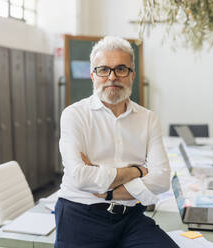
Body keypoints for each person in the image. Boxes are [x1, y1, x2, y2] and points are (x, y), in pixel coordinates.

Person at [55, 36, 178, 248]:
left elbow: (161, 180)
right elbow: (79, 178)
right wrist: (136, 171)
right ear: (93, 75)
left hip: (130, 218)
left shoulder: (148, 118)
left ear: (132, 75)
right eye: (104, 70)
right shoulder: (74, 115)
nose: (112, 77)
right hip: (80, 215)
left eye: (121, 69)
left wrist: (107, 190)